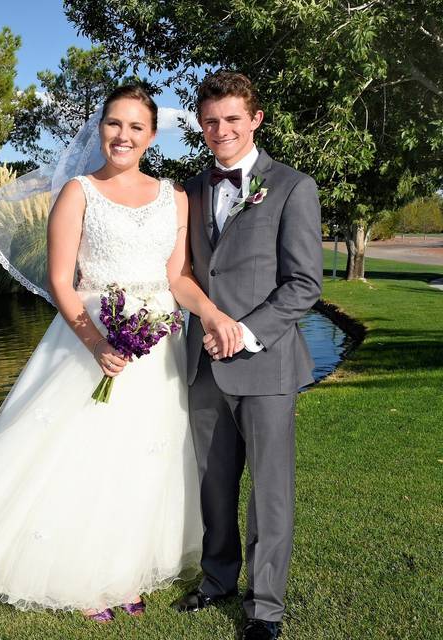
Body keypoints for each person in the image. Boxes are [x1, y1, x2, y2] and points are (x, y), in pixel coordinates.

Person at [0, 84, 236, 620]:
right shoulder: (77, 192)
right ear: (100, 129)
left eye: (136, 127)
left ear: (152, 135)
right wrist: (96, 342)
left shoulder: (175, 197)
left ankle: (122, 574)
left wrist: (208, 313)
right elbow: (61, 283)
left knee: (139, 462)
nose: (123, 136)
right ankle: (81, 581)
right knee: (81, 458)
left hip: (158, 346)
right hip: (88, 340)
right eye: (114, 124)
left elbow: (176, 277)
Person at [171, 71, 322, 640]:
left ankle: (265, 609)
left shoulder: (291, 186)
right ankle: (217, 580)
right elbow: (182, 272)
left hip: (266, 361)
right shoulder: (188, 190)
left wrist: (245, 332)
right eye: (211, 121)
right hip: (203, 361)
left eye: (233, 118)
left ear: (255, 120)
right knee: (213, 481)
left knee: (270, 489)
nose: (221, 129)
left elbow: (304, 284)